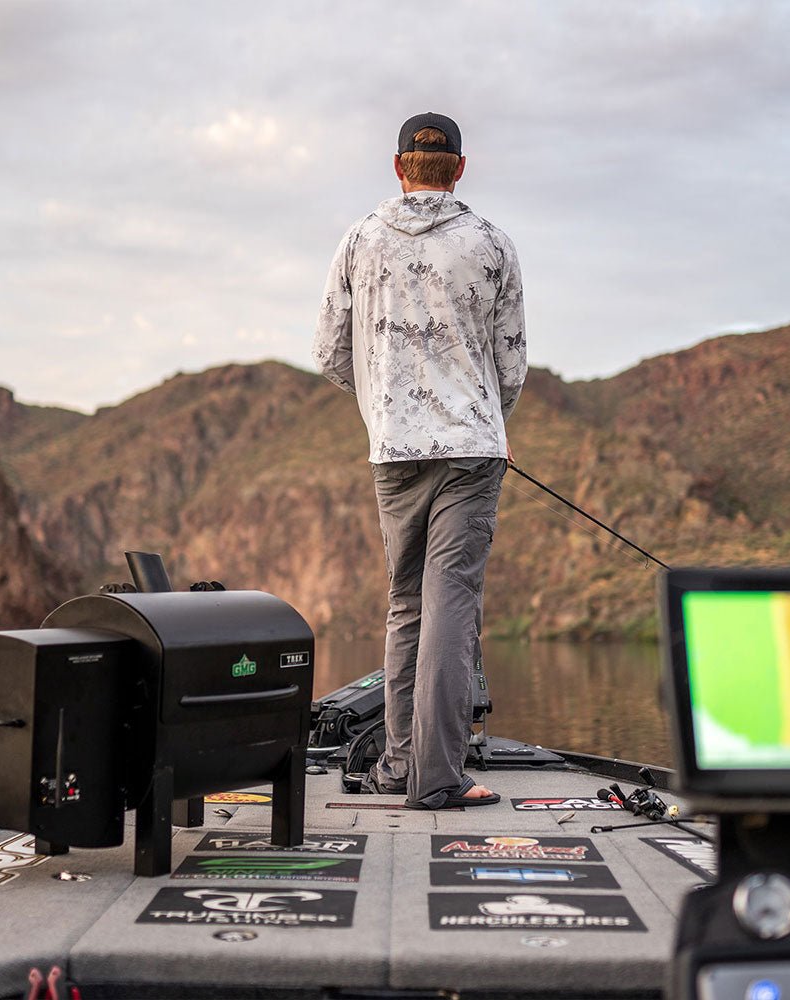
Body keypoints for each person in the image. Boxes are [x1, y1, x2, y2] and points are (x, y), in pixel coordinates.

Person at [313, 112, 527, 810]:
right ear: (458, 168)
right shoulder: (491, 243)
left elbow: (330, 353)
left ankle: (402, 765)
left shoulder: (358, 242)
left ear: (398, 166)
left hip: (394, 452)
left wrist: (384, 409)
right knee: (450, 605)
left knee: (406, 604)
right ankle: (438, 775)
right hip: (471, 450)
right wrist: (486, 415)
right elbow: (511, 362)